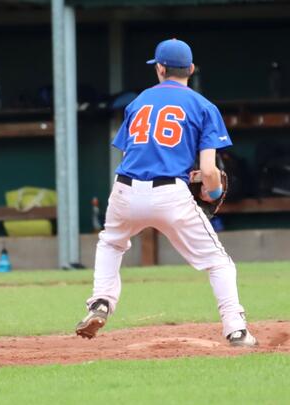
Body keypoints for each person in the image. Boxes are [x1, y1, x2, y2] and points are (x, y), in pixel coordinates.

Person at [75, 39, 257, 347]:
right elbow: (210, 171)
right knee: (218, 262)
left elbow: (136, 151)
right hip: (170, 194)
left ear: (160, 68)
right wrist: (211, 192)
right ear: (191, 69)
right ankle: (236, 329)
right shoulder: (203, 105)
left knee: (111, 242)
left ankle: (101, 302)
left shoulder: (138, 102)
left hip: (125, 189)